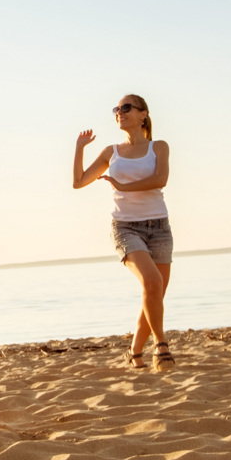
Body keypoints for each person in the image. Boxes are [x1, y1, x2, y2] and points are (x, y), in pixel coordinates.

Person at [73, 95, 174, 369]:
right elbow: (79, 182)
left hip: (159, 227)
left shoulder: (159, 147)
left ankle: (135, 351)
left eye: (127, 107)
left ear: (143, 114)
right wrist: (79, 148)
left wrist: (121, 186)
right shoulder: (111, 152)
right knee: (152, 283)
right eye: (117, 109)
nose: (120, 112)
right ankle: (161, 346)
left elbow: (160, 179)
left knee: (154, 294)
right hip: (125, 227)